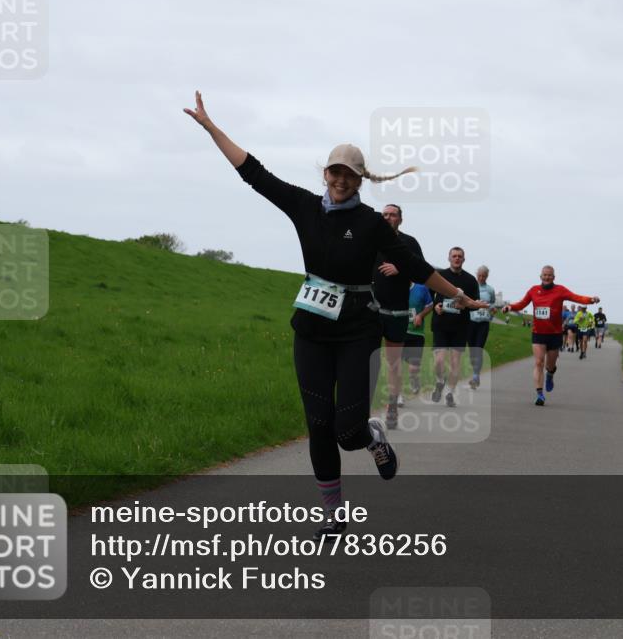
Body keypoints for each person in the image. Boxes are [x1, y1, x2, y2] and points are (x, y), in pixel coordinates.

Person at [184, 92, 488, 538]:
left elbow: (419, 269)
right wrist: (212, 128)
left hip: (356, 331)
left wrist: (460, 296)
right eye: (334, 172)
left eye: (349, 174)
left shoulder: (372, 225)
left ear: (359, 179)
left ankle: (372, 437)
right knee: (318, 425)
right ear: (325, 173)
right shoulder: (305, 207)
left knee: (347, 430)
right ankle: (333, 512)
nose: (340, 180)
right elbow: (254, 172)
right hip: (310, 330)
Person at [502, 266, 599, 406]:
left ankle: (550, 374)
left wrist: (591, 299)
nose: (547, 277)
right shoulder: (533, 290)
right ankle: (539, 394)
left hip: (554, 334)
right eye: (544, 275)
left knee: (550, 365)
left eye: (549, 275)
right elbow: (522, 303)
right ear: (540, 276)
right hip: (538, 333)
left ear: (554, 277)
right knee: (538, 362)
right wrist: (509, 307)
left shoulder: (560, 290)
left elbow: (576, 297)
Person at [373, 204, 424, 428]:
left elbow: (422, 271)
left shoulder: (410, 243)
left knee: (393, 364)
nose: (388, 217)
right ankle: (361, 408)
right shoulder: (371, 239)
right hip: (372, 310)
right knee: (368, 362)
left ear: (400, 219)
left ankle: (392, 407)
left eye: (392, 214)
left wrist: (400, 269)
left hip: (397, 311)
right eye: (384, 214)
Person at [430, 247, 480, 408]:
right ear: (449, 258)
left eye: (460, 256)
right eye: (454, 256)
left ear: (464, 259)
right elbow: (428, 298)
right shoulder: (439, 276)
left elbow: (475, 304)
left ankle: (450, 393)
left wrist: (465, 306)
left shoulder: (470, 280)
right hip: (440, 324)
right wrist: (435, 307)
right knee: (438, 361)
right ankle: (439, 381)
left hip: (460, 326)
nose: (457, 259)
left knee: (455, 363)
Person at [401, 281, 433, 407]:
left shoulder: (421, 289)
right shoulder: (395, 288)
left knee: (413, 368)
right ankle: (398, 396)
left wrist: (420, 315)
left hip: (416, 334)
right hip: (399, 332)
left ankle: (414, 380)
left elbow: (430, 305)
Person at [467, 265, 497, 389]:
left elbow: (492, 303)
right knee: (472, 349)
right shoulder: (471, 287)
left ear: (487, 276)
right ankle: (475, 373)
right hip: (471, 321)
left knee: (478, 348)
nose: (481, 278)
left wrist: (491, 311)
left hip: (483, 323)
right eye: (479, 275)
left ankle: (475, 376)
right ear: (476, 274)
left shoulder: (490, 290)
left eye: (484, 276)